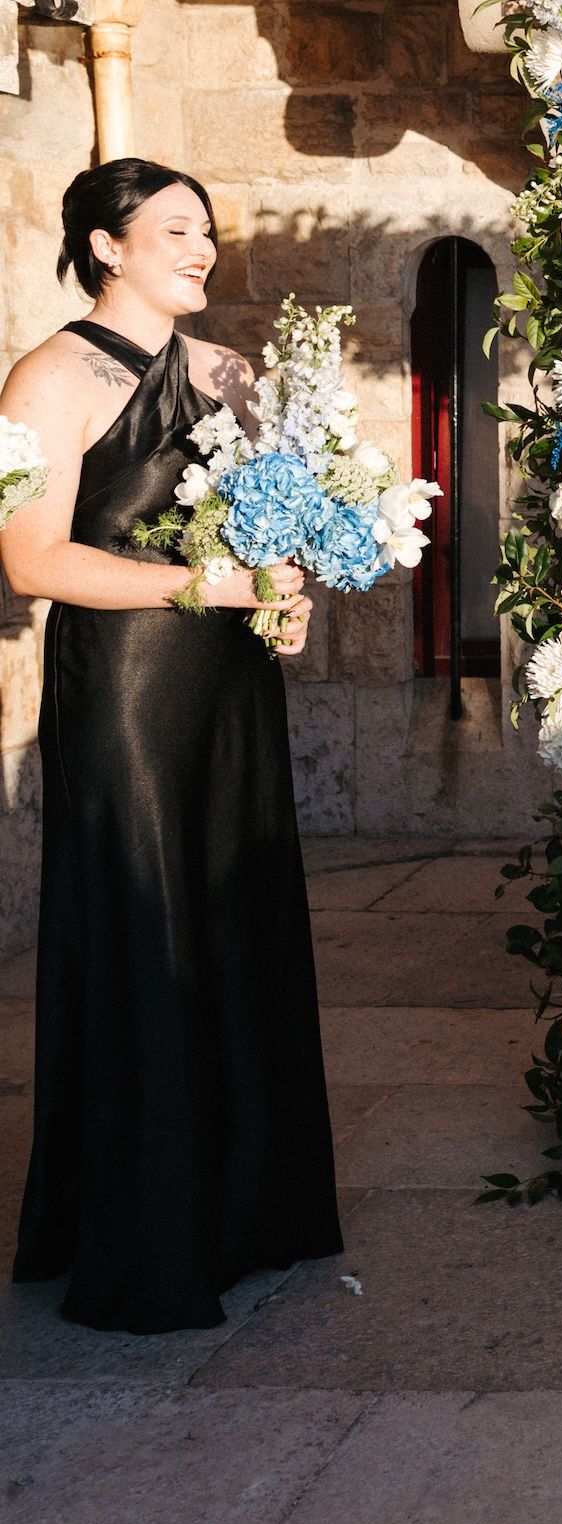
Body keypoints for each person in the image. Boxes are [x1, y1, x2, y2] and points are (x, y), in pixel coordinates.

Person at [3, 159, 342, 1335]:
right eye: (175, 230)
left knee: (231, 916)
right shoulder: (46, 378)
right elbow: (29, 559)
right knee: (147, 928)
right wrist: (214, 579)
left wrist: (285, 596)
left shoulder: (232, 372)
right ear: (106, 245)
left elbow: (271, 524)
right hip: (129, 701)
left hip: (231, 686)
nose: (202, 249)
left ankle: (247, 1214)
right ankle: (146, 1237)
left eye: (207, 231)